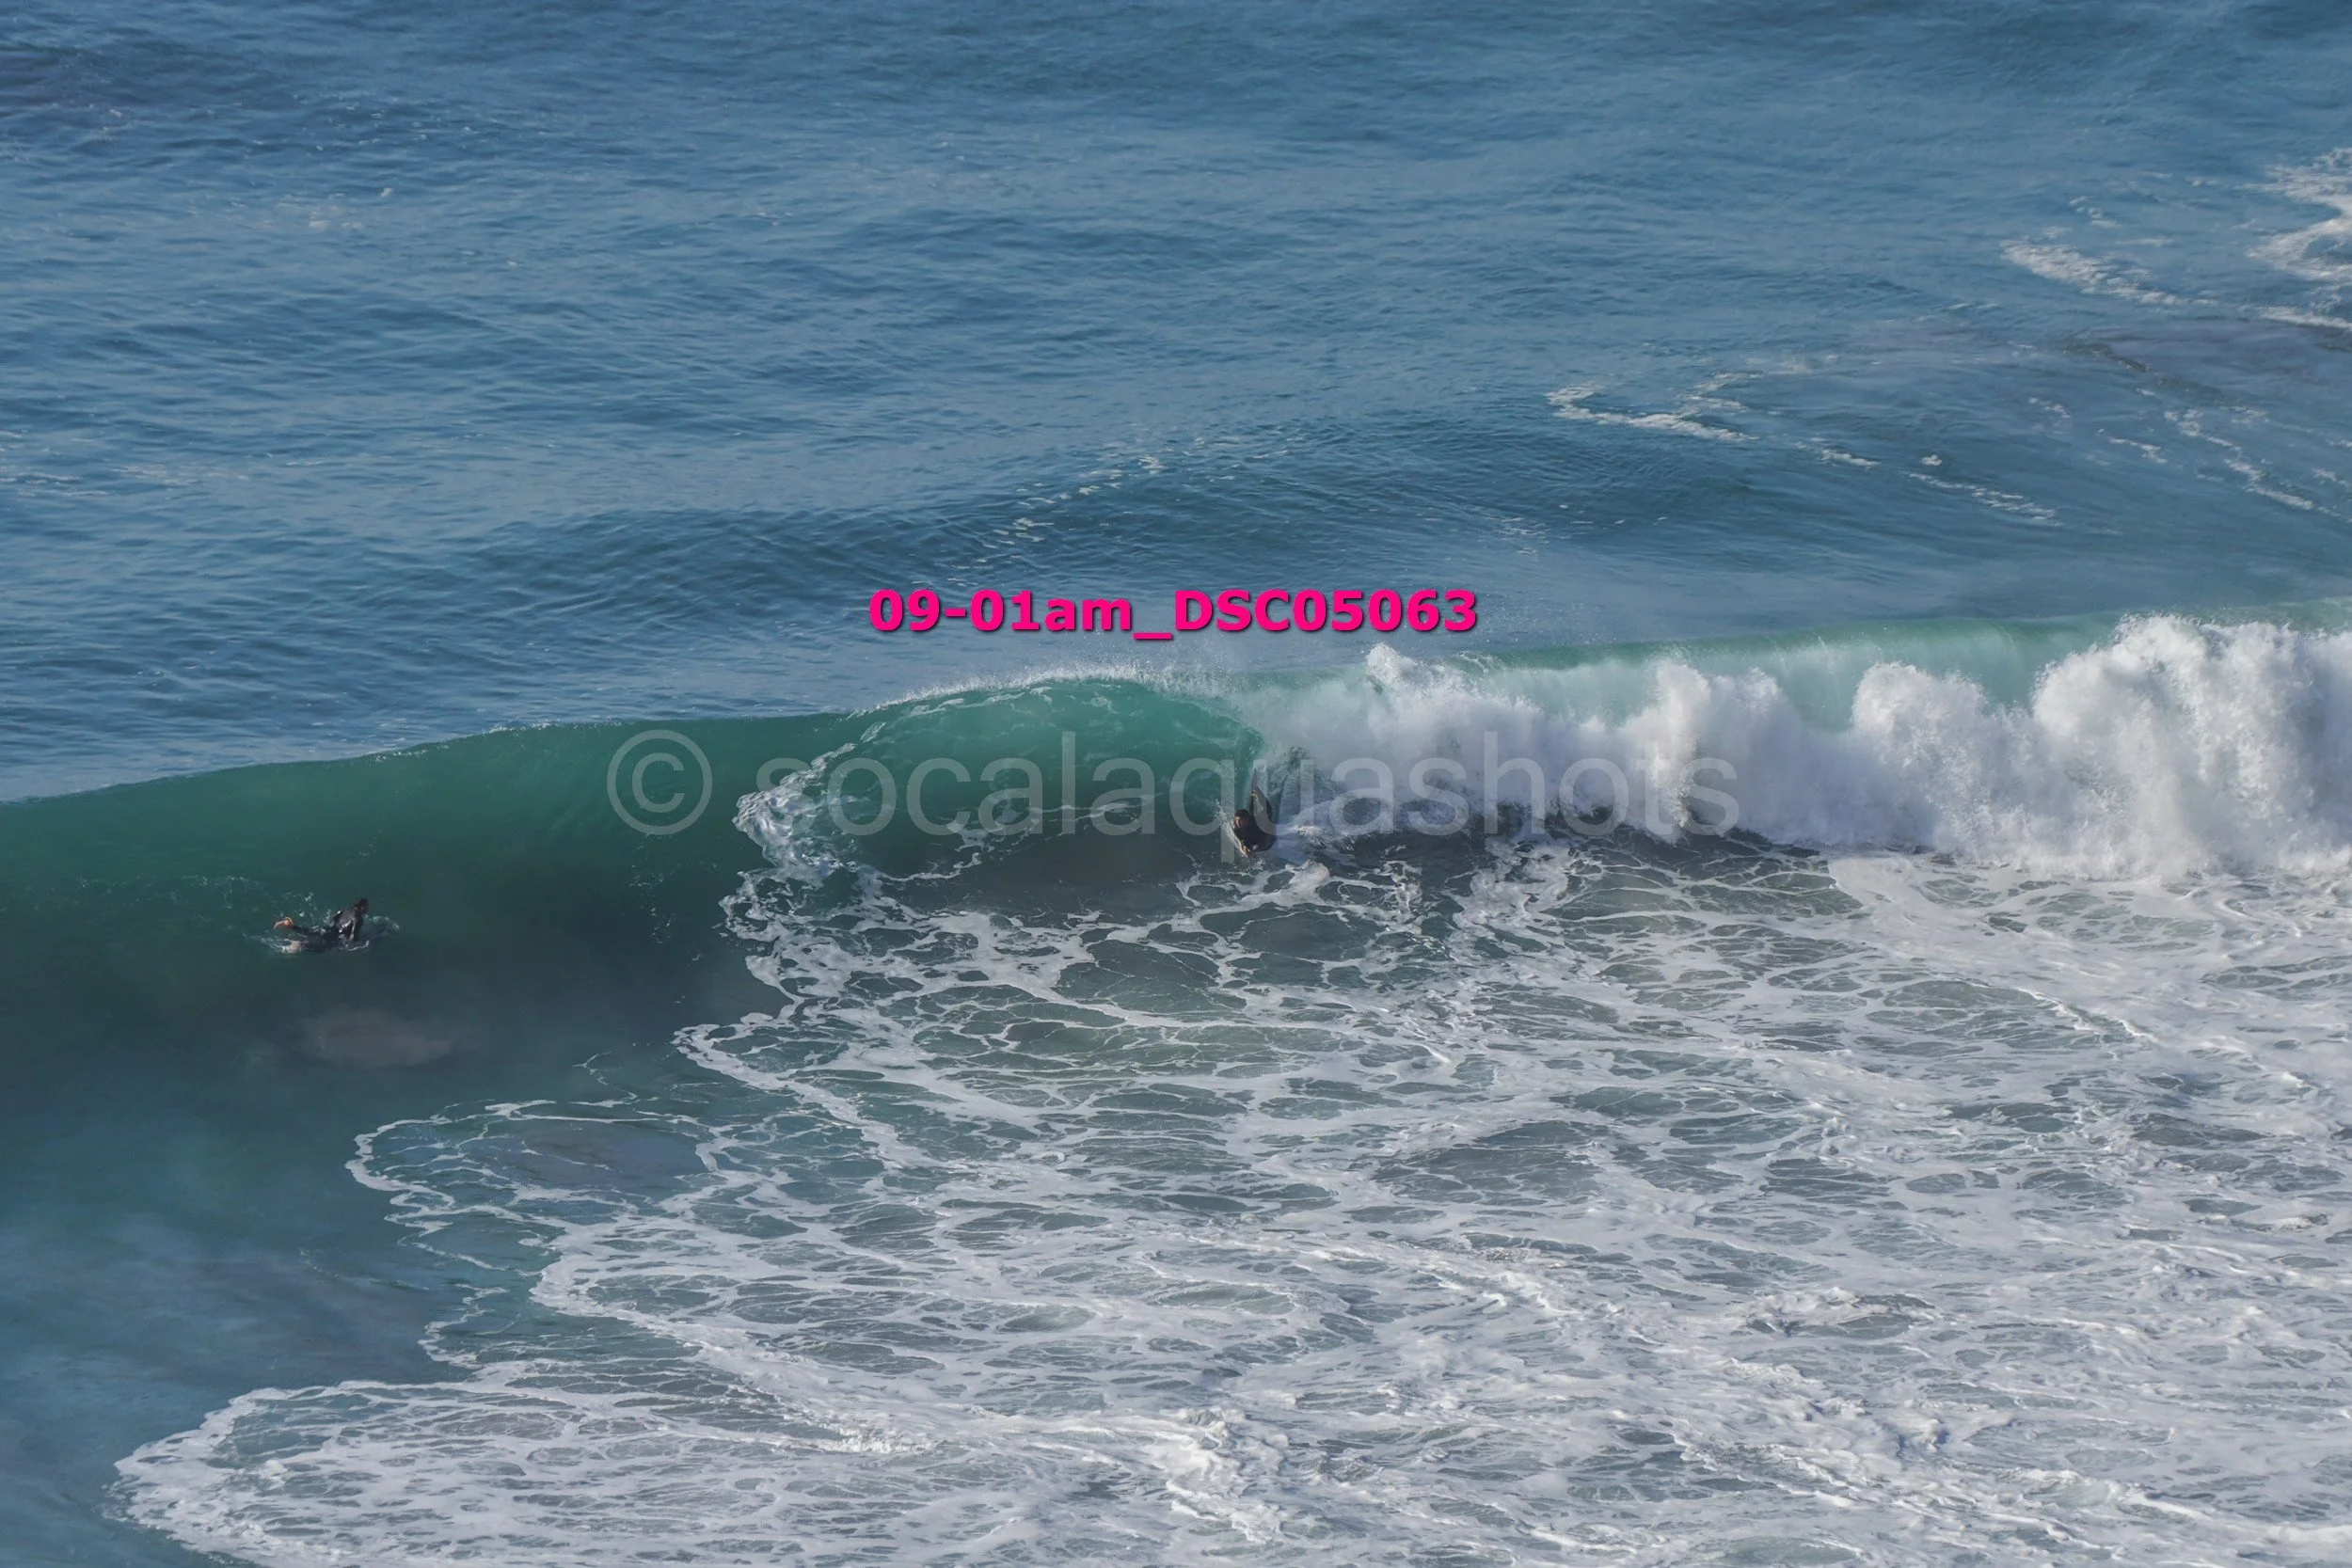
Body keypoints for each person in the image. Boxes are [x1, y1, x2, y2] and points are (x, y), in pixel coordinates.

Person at [276, 898, 369, 952]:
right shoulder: (358, 919)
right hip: (335, 936)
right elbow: (353, 937)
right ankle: (300, 944)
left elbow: (334, 918)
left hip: (328, 928)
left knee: (310, 931)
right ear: (361, 907)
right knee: (320, 947)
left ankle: (290, 925)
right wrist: (358, 946)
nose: (368, 908)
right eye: (366, 906)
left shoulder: (347, 909)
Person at [1232, 788, 1277, 855]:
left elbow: (1266, 839)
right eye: (1237, 820)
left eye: (1240, 820)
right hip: (1253, 838)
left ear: (1246, 819)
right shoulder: (1237, 829)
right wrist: (1245, 848)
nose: (1238, 823)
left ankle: (1255, 793)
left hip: (1266, 837)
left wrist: (1254, 849)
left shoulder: (1257, 821)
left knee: (1268, 812)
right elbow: (1243, 841)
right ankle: (1253, 795)